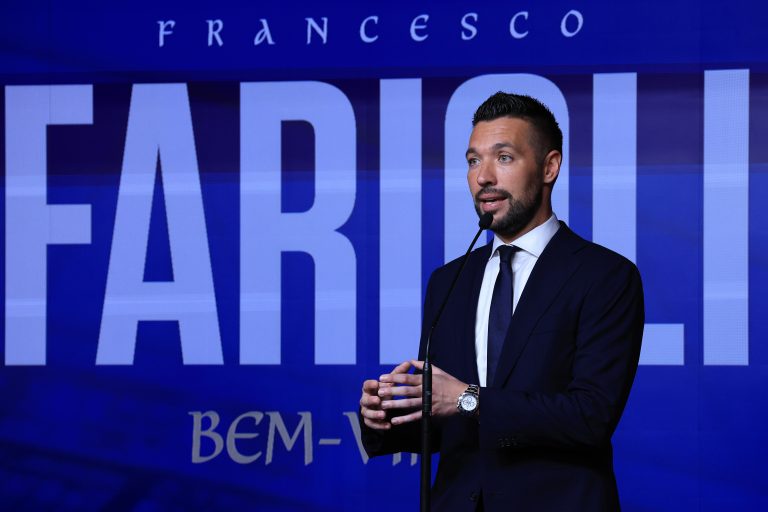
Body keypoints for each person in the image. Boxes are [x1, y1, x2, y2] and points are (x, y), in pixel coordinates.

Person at [359, 92, 644, 511]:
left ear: (549, 167)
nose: (483, 177)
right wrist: (387, 417)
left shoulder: (605, 276)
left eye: (504, 157)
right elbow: (449, 422)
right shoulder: (449, 281)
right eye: (473, 160)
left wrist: (467, 399)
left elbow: (590, 417)